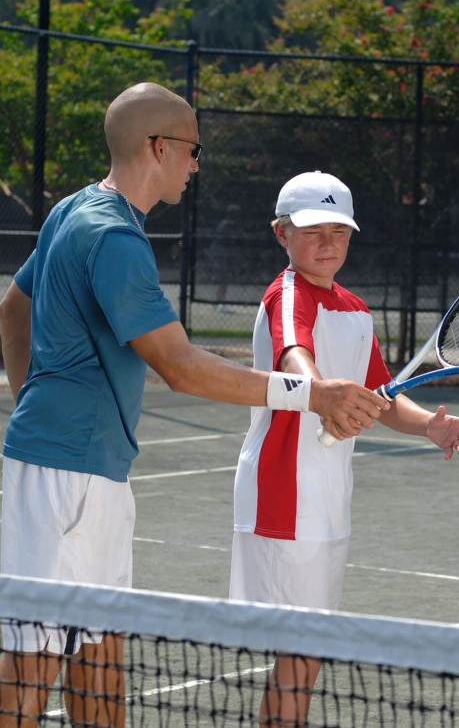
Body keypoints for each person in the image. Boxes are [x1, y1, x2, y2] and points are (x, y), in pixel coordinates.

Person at [0, 86, 388, 728]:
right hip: (63, 480)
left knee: (101, 659)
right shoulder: (114, 239)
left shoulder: (74, 210)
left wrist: (32, 400)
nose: (196, 163)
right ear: (159, 148)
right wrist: (312, 394)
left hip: (91, 476)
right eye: (192, 149)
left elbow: (13, 312)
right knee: (30, 667)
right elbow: (179, 367)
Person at [228, 171, 459, 728]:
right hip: (283, 495)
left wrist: (426, 428)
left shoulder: (355, 309)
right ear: (281, 235)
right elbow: (295, 352)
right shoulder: (286, 293)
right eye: (312, 230)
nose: (327, 243)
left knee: (307, 652)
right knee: (300, 652)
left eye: (338, 232)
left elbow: (383, 396)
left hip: (327, 499)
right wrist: (322, 397)